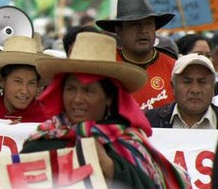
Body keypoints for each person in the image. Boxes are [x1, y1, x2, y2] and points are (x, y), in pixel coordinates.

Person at [24, 32, 191, 188]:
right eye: (71, 89)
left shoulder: (128, 142)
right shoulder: (44, 137)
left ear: (109, 97)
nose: (77, 99)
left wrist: (110, 167)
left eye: (88, 91)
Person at [95, 0, 176, 110]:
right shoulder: (105, 67)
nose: (143, 30)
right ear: (119, 31)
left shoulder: (174, 69)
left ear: (155, 29)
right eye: (134, 24)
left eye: (148, 24)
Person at [0, 36, 49, 123]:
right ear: (2, 81)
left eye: (31, 83)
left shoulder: (47, 124)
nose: (24, 91)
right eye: (17, 81)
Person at [145, 54, 218, 129]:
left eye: (202, 82)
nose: (195, 90)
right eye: (187, 82)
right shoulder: (147, 121)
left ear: (213, 88)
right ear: (173, 87)